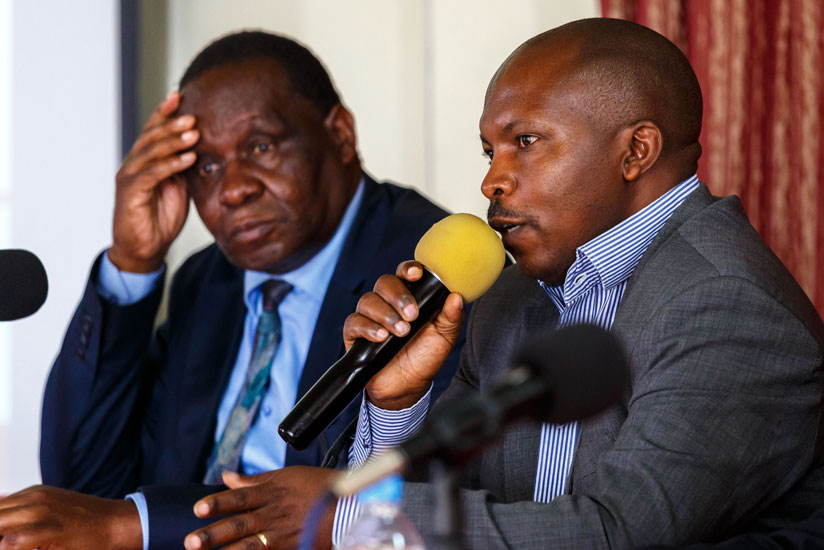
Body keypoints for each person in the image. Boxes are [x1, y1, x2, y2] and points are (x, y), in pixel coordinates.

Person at [179, 17, 824, 550]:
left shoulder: (724, 303)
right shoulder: (510, 296)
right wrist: (397, 402)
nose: (492, 181)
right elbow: (456, 506)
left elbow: (623, 533)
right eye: (491, 152)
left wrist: (353, 520)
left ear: (636, 151)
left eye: (526, 141)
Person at [0, 31, 462, 550]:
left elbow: (374, 510)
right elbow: (81, 489)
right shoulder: (207, 281)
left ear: (340, 134)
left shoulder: (425, 274)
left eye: (260, 147)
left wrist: (134, 525)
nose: (233, 189)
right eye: (207, 166)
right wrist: (133, 263)